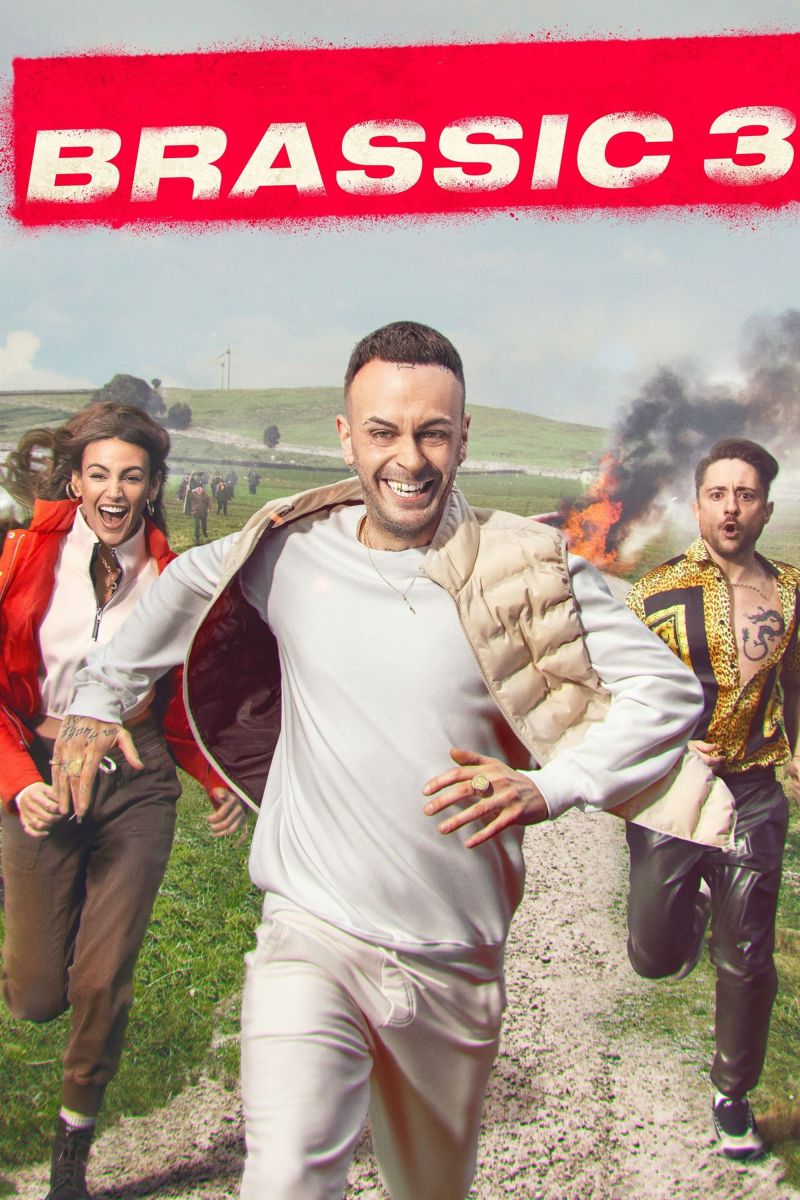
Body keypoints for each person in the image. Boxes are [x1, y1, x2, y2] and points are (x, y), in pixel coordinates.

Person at [55, 322, 733, 1200]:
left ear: (463, 437)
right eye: (383, 432)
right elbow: (185, 584)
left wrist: (552, 786)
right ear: (347, 437)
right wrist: (98, 695)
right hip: (310, 933)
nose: (407, 459)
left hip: (456, 960)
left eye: (432, 433)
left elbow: (666, 691)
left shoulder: (527, 566)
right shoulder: (286, 549)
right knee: (285, 1177)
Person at [0, 403, 246, 1200]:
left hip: (135, 785)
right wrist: (19, 782)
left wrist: (213, 775)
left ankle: (71, 1156)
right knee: (37, 995)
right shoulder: (22, 555)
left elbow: (185, 694)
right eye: (99, 474)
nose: (114, 492)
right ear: (74, 481)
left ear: (152, 486)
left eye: (131, 477)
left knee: (103, 978)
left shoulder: (175, 578)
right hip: (41, 778)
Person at [625, 438, 800, 1162]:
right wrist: (667, 749)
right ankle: (690, 919)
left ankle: (733, 1097)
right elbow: (617, 696)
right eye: (718, 494)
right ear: (697, 505)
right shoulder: (652, 594)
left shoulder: (792, 591)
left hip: (754, 790)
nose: (732, 508)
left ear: (766, 509)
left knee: (748, 955)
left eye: (746, 495)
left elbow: (797, 678)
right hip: (674, 792)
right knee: (653, 956)